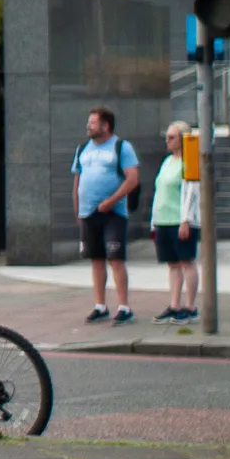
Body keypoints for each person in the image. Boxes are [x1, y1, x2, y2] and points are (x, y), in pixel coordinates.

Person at [73, 106, 140, 324]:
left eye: (92, 123)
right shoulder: (83, 148)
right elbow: (77, 181)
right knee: (96, 259)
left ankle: (124, 306)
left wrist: (112, 201)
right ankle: (100, 305)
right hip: (88, 213)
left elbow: (132, 178)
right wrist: (78, 210)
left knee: (116, 258)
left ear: (105, 125)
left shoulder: (122, 147)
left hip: (113, 214)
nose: (88, 126)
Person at [149, 120, 201, 323]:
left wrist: (186, 219)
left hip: (180, 220)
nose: (168, 141)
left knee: (186, 261)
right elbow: (159, 192)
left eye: (172, 137)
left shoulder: (189, 161)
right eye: (167, 137)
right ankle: (174, 304)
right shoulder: (167, 162)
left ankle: (190, 306)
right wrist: (154, 221)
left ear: (182, 139)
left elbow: (191, 192)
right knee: (172, 264)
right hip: (164, 219)